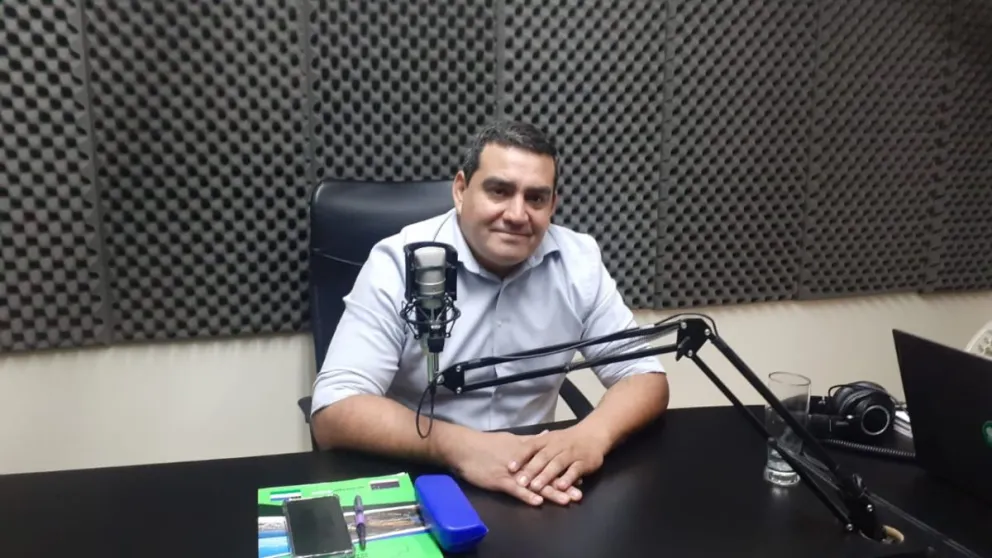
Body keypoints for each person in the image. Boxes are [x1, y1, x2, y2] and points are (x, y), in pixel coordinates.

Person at [310, 120, 669, 507]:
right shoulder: (399, 262)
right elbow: (334, 409)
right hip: (423, 477)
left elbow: (644, 376)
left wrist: (591, 436)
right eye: (499, 191)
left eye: (536, 198)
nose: (517, 214)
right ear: (461, 190)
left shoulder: (578, 262)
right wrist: (460, 447)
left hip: (535, 484)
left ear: (553, 205)